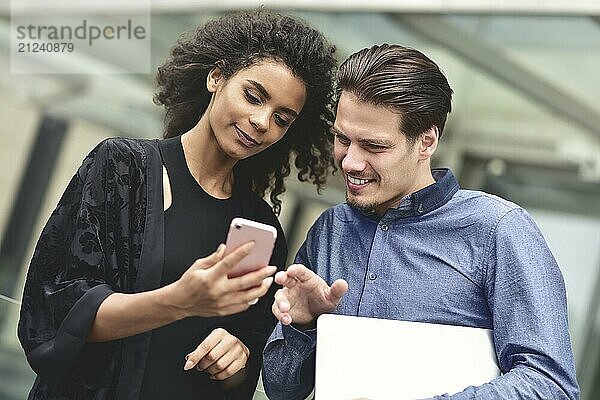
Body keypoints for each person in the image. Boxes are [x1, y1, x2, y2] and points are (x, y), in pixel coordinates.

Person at [18, 9, 337, 399]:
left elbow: (245, 368)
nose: (261, 121)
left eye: (282, 118)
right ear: (216, 77)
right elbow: (54, 313)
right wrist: (180, 301)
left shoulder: (260, 226)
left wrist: (235, 360)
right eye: (253, 96)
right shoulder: (123, 167)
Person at [262, 44, 580, 399]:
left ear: (426, 142)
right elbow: (281, 390)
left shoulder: (499, 230)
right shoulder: (330, 231)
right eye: (342, 139)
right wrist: (303, 326)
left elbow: (550, 386)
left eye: (374, 146)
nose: (350, 161)